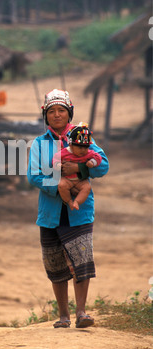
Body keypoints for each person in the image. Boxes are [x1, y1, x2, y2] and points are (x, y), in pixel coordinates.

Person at [27, 89, 109, 328]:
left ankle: (81, 313)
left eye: (61, 110)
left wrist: (78, 171)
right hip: (50, 213)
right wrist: (59, 183)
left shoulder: (84, 139)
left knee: (81, 261)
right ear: (46, 116)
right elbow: (34, 176)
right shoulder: (39, 144)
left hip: (79, 212)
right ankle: (63, 315)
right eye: (51, 111)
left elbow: (103, 167)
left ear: (69, 112)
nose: (56, 115)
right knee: (55, 265)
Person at [52, 123, 102, 211]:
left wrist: (92, 162)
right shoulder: (64, 152)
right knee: (61, 185)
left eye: (85, 147)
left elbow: (98, 157)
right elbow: (55, 158)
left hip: (81, 180)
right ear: (70, 145)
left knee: (87, 187)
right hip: (67, 179)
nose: (83, 150)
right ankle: (69, 201)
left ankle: (77, 202)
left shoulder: (89, 153)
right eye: (79, 147)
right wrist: (57, 165)